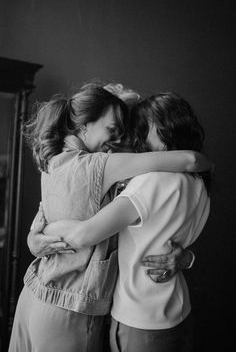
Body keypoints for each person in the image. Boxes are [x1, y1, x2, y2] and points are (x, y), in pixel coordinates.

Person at [8, 82, 212, 352]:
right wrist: (39, 238)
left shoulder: (62, 160)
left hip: (54, 292)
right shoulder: (102, 167)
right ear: (85, 124)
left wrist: (185, 256)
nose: (120, 140)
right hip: (72, 302)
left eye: (127, 131)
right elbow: (188, 162)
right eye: (115, 129)